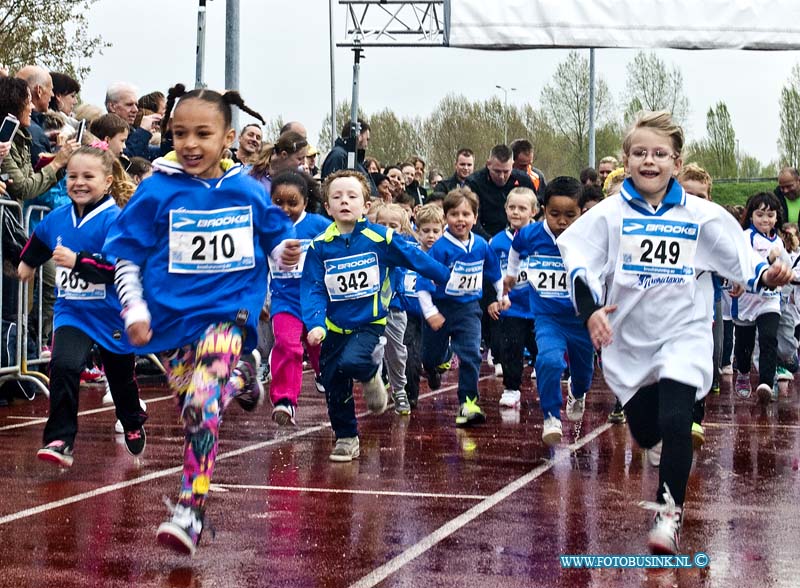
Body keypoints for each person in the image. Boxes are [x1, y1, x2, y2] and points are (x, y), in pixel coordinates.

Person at [557, 110, 792, 556]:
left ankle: (669, 513)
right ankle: (658, 444)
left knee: (677, 418)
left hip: (684, 331)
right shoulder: (608, 215)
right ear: (626, 160)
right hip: (628, 338)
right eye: (640, 153)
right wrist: (590, 313)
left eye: (660, 154)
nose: (650, 161)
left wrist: (766, 275)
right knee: (647, 432)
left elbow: (739, 259)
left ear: (676, 163)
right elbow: (579, 264)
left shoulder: (701, 214)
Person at [103, 85, 301, 556]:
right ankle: (242, 377)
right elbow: (126, 258)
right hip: (170, 325)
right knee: (197, 414)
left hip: (226, 316)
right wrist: (135, 310)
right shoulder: (155, 191)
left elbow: (276, 242)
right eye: (180, 133)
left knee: (200, 404)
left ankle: (190, 509)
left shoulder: (247, 189)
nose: (190, 144)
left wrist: (285, 254)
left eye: (203, 134)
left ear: (227, 137)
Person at [301, 170, 450, 462]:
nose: (345, 201)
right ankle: (346, 437)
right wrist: (316, 323)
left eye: (352, 196)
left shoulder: (379, 237)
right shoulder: (319, 246)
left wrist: (443, 275)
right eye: (337, 197)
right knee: (333, 383)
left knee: (353, 361)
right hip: (333, 326)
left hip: (369, 323)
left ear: (365, 205)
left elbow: (413, 256)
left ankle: (371, 375)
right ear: (328, 207)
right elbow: (313, 288)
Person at [18, 145, 148, 467]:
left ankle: (132, 419)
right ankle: (60, 439)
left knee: (120, 378)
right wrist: (28, 263)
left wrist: (79, 261)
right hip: (72, 311)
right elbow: (40, 237)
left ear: (106, 182)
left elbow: (118, 268)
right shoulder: (58, 217)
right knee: (63, 365)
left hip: (109, 314)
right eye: (72, 176)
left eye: (88, 176)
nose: (79, 182)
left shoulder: (114, 220)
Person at [504, 177, 592, 445]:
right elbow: (515, 251)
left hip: (580, 319)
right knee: (549, 361)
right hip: (547, 316)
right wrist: (511, 274)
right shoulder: (530, 234)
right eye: (555, 214)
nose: (562, 222)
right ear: (543, 209)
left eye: (570, 215)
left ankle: (578, 392)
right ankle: (551, 416)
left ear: (581, 213)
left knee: (583, 371)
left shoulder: (588, 236)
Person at [417, 187, 508, 426]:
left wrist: (501, 295)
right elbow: (422, 284)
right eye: (455, 214)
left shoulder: (480, 245)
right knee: (431, 357)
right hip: (441, 309)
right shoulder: (439, 249)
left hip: (468, 309)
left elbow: (494, 272)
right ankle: (438, 361)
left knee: (471, 355)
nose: (461, 220)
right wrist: (430, 312)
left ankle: (468, 403)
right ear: (446, 217)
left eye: (466, 215)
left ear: (475, 218)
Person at [267, 170, 330, 426]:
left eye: (292, 203)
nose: (285, 209)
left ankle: (323, 373)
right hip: (285, 300)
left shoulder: (319, 226)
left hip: (315, 300)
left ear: (305, 201)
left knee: (318, 346)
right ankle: (284, 401)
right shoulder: (266, 229)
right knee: (287, 344)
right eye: (278, 202)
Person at [731, 192, 786, 404]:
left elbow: (787, 266)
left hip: (770, 300)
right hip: (746, 300)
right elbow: (742, 264)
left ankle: (766, 382)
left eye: (770, 215)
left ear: (776, 217)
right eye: (760, 214)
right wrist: (767, 258)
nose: (765, 220)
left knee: (768, 338)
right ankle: (743, 373)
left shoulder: (779, 241)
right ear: (751, 215)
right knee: (744, 346)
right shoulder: (746, 237)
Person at [489, 187, 538, 410]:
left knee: (542, 349)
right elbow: (489, 272)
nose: (516, 212)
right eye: (512, 207)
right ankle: (511, 388)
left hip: (538, 306)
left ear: (533, 211)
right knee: (511, 348)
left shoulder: (540, 237)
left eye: (522, 208)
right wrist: (493, 298)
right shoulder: (497, 242)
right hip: (512, 306)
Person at [374, 203, 418, 415]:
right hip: (369, 310)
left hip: (394, 308)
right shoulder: (368, 245)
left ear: (403, 229)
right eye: (382, 224)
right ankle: (374, 379)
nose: (387, 229)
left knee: (396, 351)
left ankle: (399, 389)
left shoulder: (404, 249)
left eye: (394, 225)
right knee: (371, 349)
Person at [404, 204, 444, 408]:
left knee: (430, 356)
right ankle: (411, 395)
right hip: (411, 314)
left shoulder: (445, 254)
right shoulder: (409, 255)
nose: (431, 236)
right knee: (411, 356)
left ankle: (434, 369)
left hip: (435, 316)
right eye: (425, 231)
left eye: (436, 231)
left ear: (443, 231)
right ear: (417, 232)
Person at [466, 144, 535, 237]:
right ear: (488, 164)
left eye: (506, 171)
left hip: (520, 236)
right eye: (497, 171)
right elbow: (471, 218)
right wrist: (490, 242)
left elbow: (535, 210)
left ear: (512, 165)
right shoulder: (474, 183)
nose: (502, 177)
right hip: (486, 235)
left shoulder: (524, 180)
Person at [320, 118, 376, 194]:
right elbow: (332, 189)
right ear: (359, 136)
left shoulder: (354, 160)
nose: (367, 144)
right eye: (367, 139)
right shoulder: (339, 156)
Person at [15, 65, 53, 166]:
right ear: (39, 91)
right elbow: (45, 176)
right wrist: (60, 154)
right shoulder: (32, 131)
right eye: (50, 89)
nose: (52, 94)